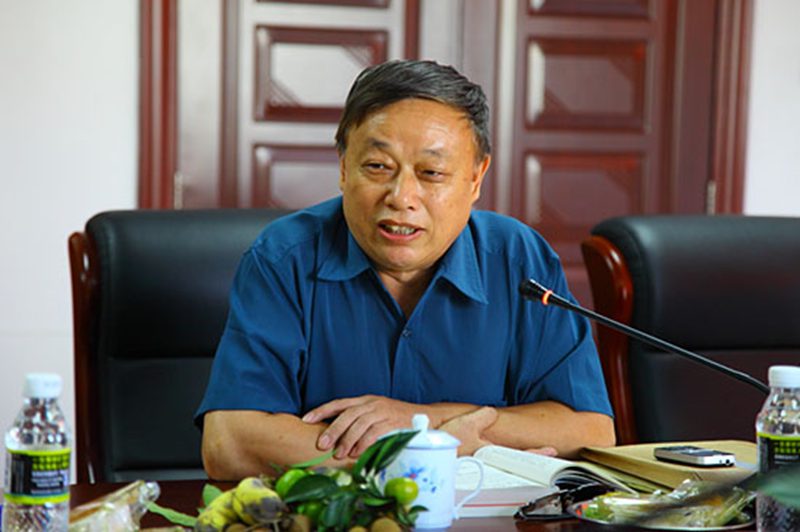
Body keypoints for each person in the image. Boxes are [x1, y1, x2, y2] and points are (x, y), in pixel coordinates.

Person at [197, 59, 615, 480]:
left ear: (475, 179)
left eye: (431, 173)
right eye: (378, 167)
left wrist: (429, 419)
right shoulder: (283, 259)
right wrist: (428, 451)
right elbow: (228, 444)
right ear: (344, 167)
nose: (401, 197)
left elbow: (591, 431)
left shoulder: (519, 260)